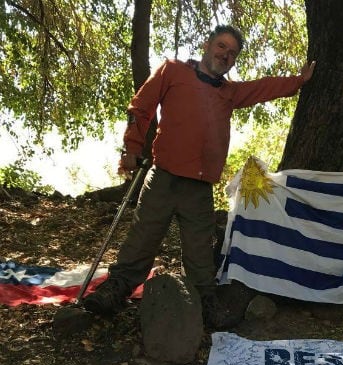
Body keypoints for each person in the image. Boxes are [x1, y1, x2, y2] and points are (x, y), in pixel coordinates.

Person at [82, 25, 315, 328]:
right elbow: (141, 108)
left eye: (232, 53)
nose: (225, 55)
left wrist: (299, 81)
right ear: (207, 45)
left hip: (200, 187)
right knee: (143, 237)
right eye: (221, 46)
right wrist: (131, 148)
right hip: (163, 177)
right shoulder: (172, 71)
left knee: (200, 252)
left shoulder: (230, 92)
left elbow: (262, 88)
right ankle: (116, 290)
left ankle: (205, 302)